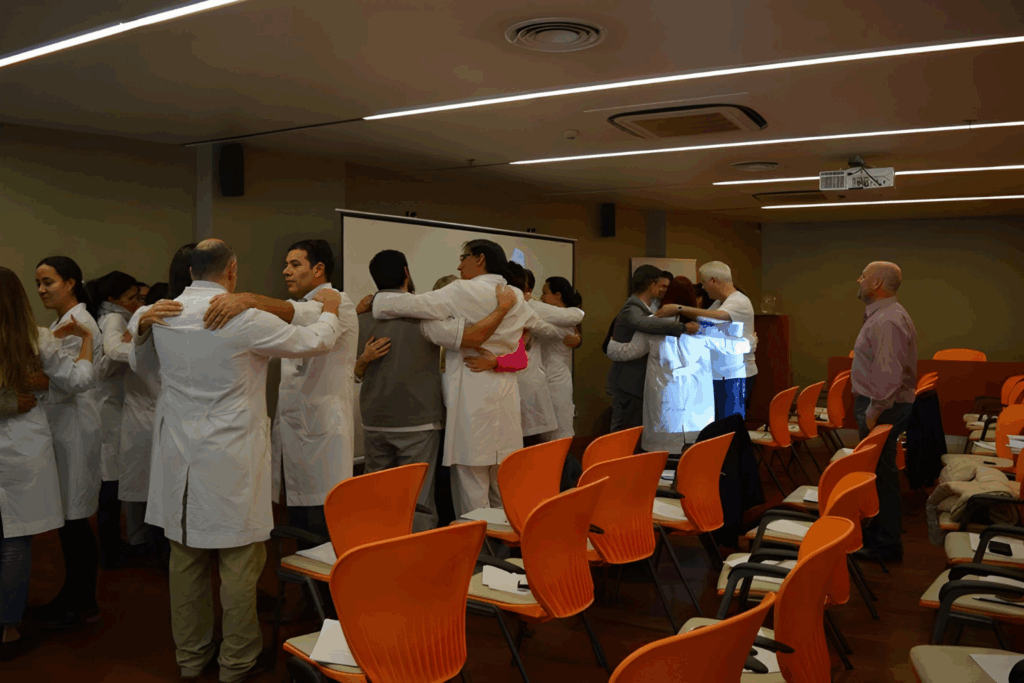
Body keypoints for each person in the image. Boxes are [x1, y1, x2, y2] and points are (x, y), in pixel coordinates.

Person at [129, 239, 345, 682]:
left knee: (185, 561)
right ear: (231, 271)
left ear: (190, 272)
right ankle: (237, 662)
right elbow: (318, 341)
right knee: (239, 564)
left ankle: (191, 659)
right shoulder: (243, 318)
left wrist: (141, 326)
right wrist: (328, 307)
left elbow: (140, 362)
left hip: (180, 458)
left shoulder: (156, 313)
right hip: (230, 459)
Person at [355, 250, 524, 531]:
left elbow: (354, 371)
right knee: (420, 499)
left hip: (375, 420)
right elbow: (474, 336)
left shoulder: (360, 317)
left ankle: (377, 548)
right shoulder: (427, 322)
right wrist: (501, 310)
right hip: (419, 421)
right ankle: (421, 553)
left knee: (377, 493)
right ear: (407, 273)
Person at [203, 240, 358, 540]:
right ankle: (304, 585)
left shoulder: (336, 301)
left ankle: (324, 587)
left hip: (322, 432)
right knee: (299, 524)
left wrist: (247, 299)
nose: (286, 271)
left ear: (319, 269)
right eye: (286, 265)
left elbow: (299, 316)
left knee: (322, 528)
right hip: (295, 430)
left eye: (295, 265)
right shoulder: (300, 307)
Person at [0, 267, 96, 660]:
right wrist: (88, 341)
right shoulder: (36, 339)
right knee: (16, 541)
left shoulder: (40, 338)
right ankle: (8, 627)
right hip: (24, 448)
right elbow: (79, 380)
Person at [30, 256, 105, 630]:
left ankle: (83, 599)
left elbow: (73, 379)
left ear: (71, 282)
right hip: (63, 424)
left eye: (49, 282)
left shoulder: (80, 324)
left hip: (74, 426)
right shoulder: (63, 324)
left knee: (76, 519)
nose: (42, 290)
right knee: (69, 519)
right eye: (39, 283)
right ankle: (73, 595)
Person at [606, 276, 750, 454]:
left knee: (661, 454)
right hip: (697, 401)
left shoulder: (654, 322)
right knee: (695, 452)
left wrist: (611, 344)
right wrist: (750, 341)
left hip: (664, 398)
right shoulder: (704, 324)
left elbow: (630, 351)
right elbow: (732, 347)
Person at [118, 246, 194, 554]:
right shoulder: (151, 314)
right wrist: (141, 328)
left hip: (183, 418)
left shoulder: (224, 309)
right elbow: (138, 363)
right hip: (168, 413)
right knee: (168, 499)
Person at [851, 261, 916, 562]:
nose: (858, 280)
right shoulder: (884, 316)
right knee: (879, 475)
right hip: (882, 406)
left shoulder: (887, 320)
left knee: (881, 477)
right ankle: (879, 536)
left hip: (881, 408)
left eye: (863, 277)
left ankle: (887, 545)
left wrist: (872, 412)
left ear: (876, 283)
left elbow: (888, 375)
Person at [88, 271, 143, 568]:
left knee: (111, 483)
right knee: (110, 485)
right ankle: (110, 550)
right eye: (131, 297)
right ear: (113, 300)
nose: (137, 302)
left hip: (108, 409)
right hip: (107, 410)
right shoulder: (115, 320)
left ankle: (111, 546)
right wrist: (130, 338)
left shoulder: (106, 315)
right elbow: (103, 366)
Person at [606, 265, 695, 432]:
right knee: (623, 433)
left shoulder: (646, 309)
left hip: (637, 383)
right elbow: (645, 324)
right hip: (627, 383)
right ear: (652, 285)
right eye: (660, 285)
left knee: (631, 431)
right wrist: (682, 327)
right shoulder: (632, 308)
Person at [669, 261, 758, 419]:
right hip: (723, 373)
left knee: (729, 427)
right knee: (720, 424)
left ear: (713, 280)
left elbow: (714, 319)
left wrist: (677, 308)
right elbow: (702, 326)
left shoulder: (738, 301)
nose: (702, 287)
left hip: (735, 376)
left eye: (703, 282)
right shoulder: (720, 303)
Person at [535, 276, 585, 441]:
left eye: (545, 293)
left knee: (558, 432)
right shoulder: (561, 317)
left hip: (556, 379)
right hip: (547, 376)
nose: (541, 298)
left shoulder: (566, 318)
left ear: (557, 295)